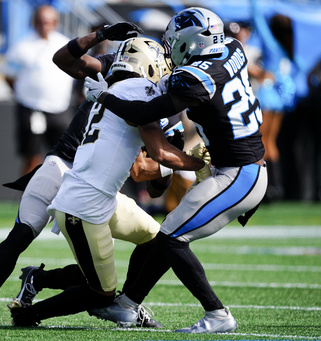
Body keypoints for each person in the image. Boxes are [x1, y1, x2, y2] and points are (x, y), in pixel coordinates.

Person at [84, 7, 268, 334]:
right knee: (166, 233)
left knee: (172, 237)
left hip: (239, 174)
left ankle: (217, 313)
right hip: (238, 167)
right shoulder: (234, 49)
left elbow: (143, 112)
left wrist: (105, 97)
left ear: (189, 41)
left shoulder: (195, 78)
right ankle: (126, 305)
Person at [0, 21, 152, 329]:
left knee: (151, 242)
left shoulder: (162, 92)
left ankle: (114, 301)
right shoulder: (113, 68)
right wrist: (99, 35)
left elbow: (146, 172)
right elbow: (63, 59)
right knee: (22, 234)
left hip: (97, 182)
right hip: (67, 165)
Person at [8, 36, 210, 327]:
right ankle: (27, 315)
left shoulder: (119, 91)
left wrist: (174, 162)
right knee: (101, 292)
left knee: (161, 239)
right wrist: (200, 163)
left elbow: (145, 170)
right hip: (83, 207)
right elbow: (158, 156)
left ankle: (127, 304)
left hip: (101, 196)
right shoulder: (140, 91)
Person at [4, 5, 75, 175]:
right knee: (31, 157)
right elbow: (9, 76)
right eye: (41, 22)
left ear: (55, 23)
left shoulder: (65, 44)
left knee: (65, 158)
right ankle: (27, 198)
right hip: (31, 108)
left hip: (59, 109)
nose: (45, 26)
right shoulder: (22, 46)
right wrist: (27, 94)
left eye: (49, 22)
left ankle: (61, 200)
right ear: (34, 22)